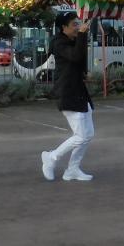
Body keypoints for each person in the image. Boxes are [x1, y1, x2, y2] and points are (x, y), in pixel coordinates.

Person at [41, 11, 96, 182]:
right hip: (68, 93)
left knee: (88, 134)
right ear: (63, 27)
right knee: (80, 135)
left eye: (78, 23)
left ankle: (72, 169)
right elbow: (75, 56)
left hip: (79, 92)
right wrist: (82, 34)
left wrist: (85, 72)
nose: (78, 27)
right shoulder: (59, 43)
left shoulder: (73, 40)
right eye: (74, 24)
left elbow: (79, 59)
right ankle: (51, 157)